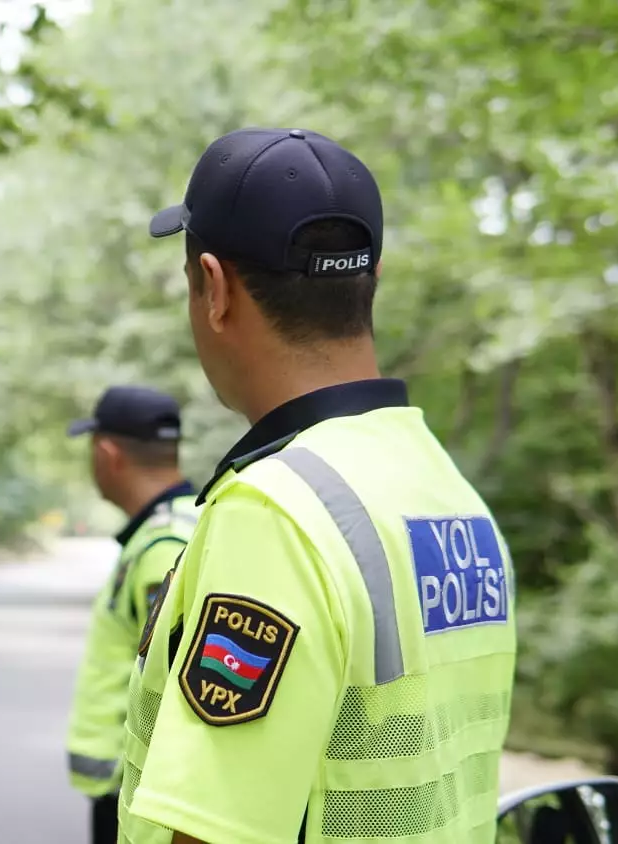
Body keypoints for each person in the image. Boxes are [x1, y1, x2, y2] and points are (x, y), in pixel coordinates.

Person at [115, 128, 518, 844]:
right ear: (373, 278)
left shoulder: (277, 512)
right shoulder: (448, 492)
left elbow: (215, 827)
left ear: (213, 286)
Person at [64, 386, 202, 844]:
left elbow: (178, 692)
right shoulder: (185, 522)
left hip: (140, 796)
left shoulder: (162, 546)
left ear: (107, 453)